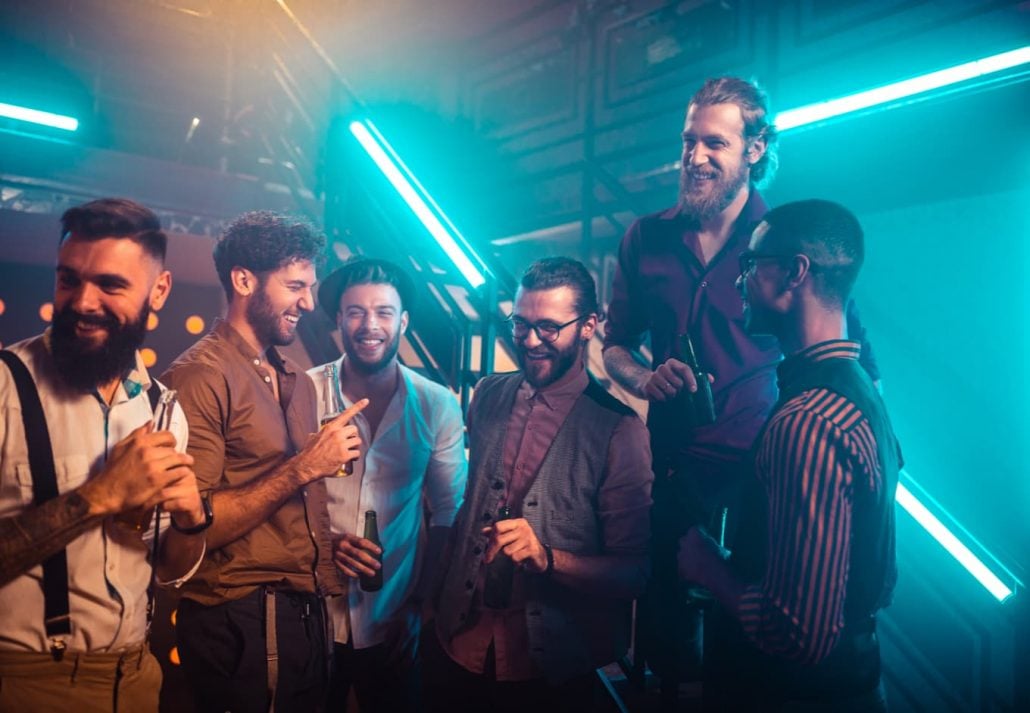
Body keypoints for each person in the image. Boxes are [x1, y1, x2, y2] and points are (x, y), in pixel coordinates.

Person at [601, 76, 879, 696]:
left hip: (770, 483)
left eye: (714, 144)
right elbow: (614, 344)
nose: (695, 158)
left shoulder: (789, 244)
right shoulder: (643, 238)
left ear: (755, 149)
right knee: (669, 662)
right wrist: (644, 377)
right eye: (688, 142)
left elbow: (854, 357)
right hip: (672, 477)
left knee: (751, 658)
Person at [679, 199, 900, 711]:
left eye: (750, 265)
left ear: (795, 272)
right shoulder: (864, 391)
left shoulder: (809, 421)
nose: (738, 282)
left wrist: (709, 566)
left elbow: (798, 634)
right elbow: (877, 580)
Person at [0, 198, 207, 712]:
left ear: (158, 291)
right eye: (69, 280)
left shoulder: (164, 411)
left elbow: (166, 568)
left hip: (137, 679)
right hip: (24, 682)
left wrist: (191, 519)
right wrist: (99, 496)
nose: (83, 302)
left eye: (111, 286)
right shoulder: (4, 387)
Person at [161, 211, 367, 713]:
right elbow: (193, 530)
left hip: (303, 614)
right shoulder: (199, 377)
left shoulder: (291, 374)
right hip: (239, 622)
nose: (309, 302)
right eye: (295, 285)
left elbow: (272, 506)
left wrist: (324, 543)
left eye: (311, 286)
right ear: (243, 279)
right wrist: (304, 467)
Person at [428, 257, 653, 713]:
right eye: (521, 324)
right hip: (458, 643)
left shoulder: (619, 429)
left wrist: (546, 558)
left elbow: (634, 573)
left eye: (549, 328)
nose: (530, 341)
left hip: (548, 667)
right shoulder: (488, 395)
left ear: (589, 325)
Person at [309, 257, 467, 713]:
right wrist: (325, 543)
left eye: (383, 312)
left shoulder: (437, 404)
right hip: (311, 614)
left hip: (394, 620)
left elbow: (449, 511)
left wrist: (422, 604)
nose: (368, 325)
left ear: (403, 321)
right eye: (355, 311)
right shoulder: (304, 392)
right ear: (338, 319)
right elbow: (284, 492)